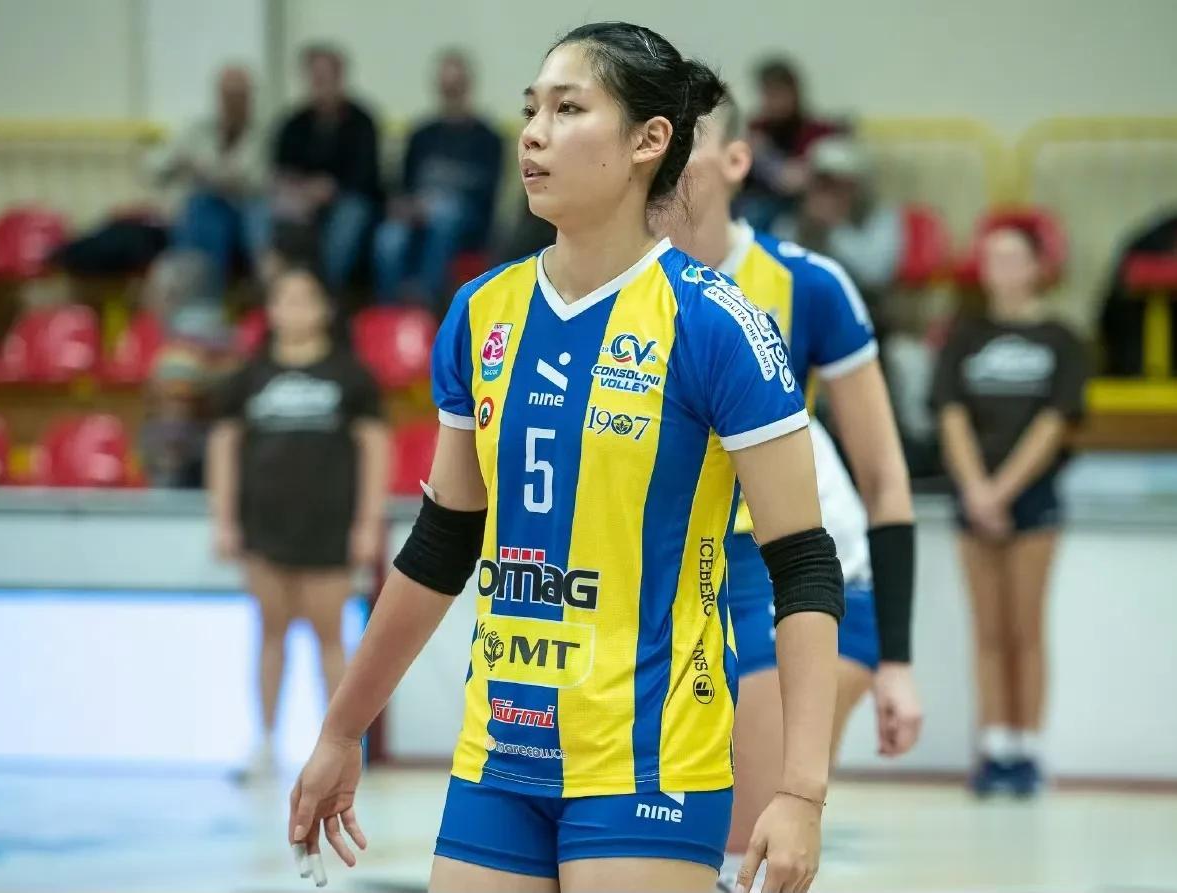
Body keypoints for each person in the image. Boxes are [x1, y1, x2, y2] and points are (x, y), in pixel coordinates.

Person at [285, 22, 845, 893]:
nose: (533, 134)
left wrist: (801, 789)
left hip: (651, 760)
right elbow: (440, 545)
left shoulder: (715, 323)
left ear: (649, 141)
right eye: (530, 110)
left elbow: (804, 563)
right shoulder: (481, 312)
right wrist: (340, 728)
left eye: (568, 109)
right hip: (498, 756)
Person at [662, 100, 922, 892]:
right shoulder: (616, 284)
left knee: (745, 845)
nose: (665, 152)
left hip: (794, 571)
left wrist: (898, 660)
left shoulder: (807, 284)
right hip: (676, 568)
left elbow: (884, 478)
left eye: (689, 136)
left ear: (738, 161)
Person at [207, 267, 390, 783]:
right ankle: (265, 744)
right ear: (270, 311)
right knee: (270, 635)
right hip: (264, 527)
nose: (295, 309)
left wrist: (367, 522)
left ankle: (341, 748)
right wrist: (224, 519)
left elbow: (375, 448)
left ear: (324, 310)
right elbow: (224, 446)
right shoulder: (248, 376)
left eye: (305, 298)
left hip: (328, 526)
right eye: (284, 299)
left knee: (331, 638)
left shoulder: (350, 375)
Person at [932, 225, 1089, 798]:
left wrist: (1002, 491)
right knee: (989, 629)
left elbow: (1055, 421)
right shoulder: (963, 337)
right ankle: (995, 746)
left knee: (1026, 627)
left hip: (1033, 498)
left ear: (1037, 267)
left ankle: (1028, 750)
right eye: (992, 257)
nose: (1001, 268)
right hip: (973, 499)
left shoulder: (1062, 340)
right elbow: (950, 415)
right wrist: (977, 490)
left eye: (1013, 257)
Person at [373, 50, 504, 309]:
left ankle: (425, 301)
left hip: (466, 221)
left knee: (446, 212)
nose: (451, 93)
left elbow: (486, 195)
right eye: (446, 87)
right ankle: (389, 311)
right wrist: (409, 206)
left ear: (468, 87)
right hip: (417, 214)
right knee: (389, 236)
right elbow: (404, 185)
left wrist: (434, 204)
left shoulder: (488, 138)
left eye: (456, 86)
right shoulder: (421, 134)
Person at [271, 44, 383, 298]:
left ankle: (327, 292)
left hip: (349, 199)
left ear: (340, 78)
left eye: (326, 77)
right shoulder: (294, 123)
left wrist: (331, 188)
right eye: (315, 78)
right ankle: (276, 289)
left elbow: (367, 176)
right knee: (266, 211)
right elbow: (281, 170)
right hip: (302, 200)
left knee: (350, 215)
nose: (320, 84)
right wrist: (304, 190)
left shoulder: (362, 121)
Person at [155, 65, 270, 297]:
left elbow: (258, 182)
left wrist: (212, 174)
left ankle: (206, 297)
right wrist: (179, 164)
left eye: (239, 96)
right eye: (228, 95)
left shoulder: (264, 134)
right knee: (201, 209)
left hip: (245, 215)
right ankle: (199, 297)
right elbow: (154, 168)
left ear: (250, 98)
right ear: (219, 97)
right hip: (202, 211)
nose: (233, 102)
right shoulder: (196, 130)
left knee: (213, 211)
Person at [775, 136, 904, 309]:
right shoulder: (794, 218)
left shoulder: (880, 216)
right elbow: (778, 267)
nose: (830, 192)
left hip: (862, 308)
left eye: (840, 183)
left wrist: (836, 228)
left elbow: (875, 275)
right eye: (824, 183)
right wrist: (809, 227)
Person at [737, 58, 847, 232]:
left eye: (779, 93)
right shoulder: (756, 130)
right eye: (768, 94)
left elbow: (798, 179)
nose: (774, 101)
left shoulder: (816, 132)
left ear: (794, 93)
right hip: (758, 207)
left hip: (802, 210)